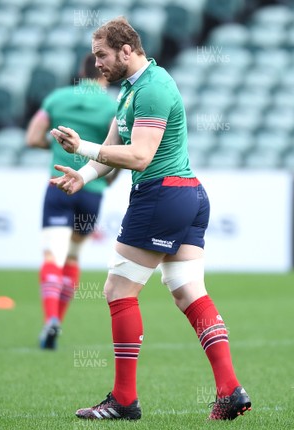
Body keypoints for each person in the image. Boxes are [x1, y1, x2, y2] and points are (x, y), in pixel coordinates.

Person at [50, 17, 251, 420]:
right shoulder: (130, 89)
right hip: (186, 195)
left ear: (127, 50)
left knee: (118, 290)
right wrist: (83, 174)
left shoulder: (154, 87)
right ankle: (229, 390)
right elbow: (112, 149)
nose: (97, 64)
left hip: (162, 195)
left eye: (102, 55)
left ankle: (124, 400)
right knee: (187, 291)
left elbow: (139, 157)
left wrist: (82, 146)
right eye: (95, 56)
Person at [26, 54, 118, 350]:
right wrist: (104, 179)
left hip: (58, 185)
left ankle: (50, 318)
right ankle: (59, 323)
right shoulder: (112, 106)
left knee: (53, 255)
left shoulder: (57, 98)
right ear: (105, 72)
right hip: (91, 189)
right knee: (74, 257)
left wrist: (56, 147)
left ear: (81, 71)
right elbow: (116, 153)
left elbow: (32, 137)